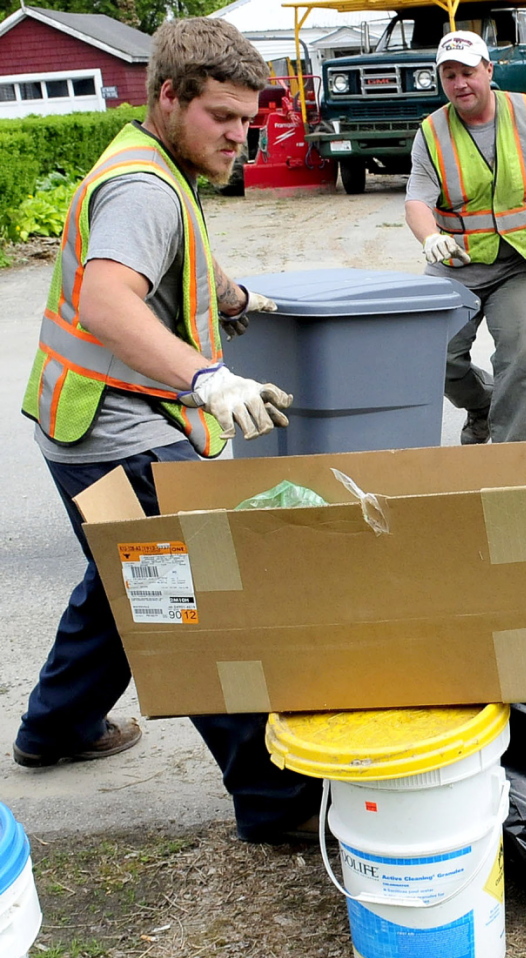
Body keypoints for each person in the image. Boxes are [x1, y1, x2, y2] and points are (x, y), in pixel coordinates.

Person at [15, 17, 320, 844]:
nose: (239, 135)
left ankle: (54, 730)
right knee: (191, 608)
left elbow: (181, 249)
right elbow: (110, 301)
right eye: (222, 117)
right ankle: (275, 801)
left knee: (123, 587)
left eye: (247, 120)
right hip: (119, 434)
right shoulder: (144, 188)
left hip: (81, 427)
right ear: (168, 97)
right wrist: (208, 378)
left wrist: (235, 299)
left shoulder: (156, 167)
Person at [404, 30, 526, 444]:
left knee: (521, 359)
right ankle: (484, 404)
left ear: (489, 70)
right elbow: (417, 201)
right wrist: (429, 237)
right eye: (449, 75)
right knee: (436, 359)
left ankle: (514, 460)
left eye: (468, 72)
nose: (460, 84)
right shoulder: (431, 132)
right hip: (456, 265)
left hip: (521, 263)